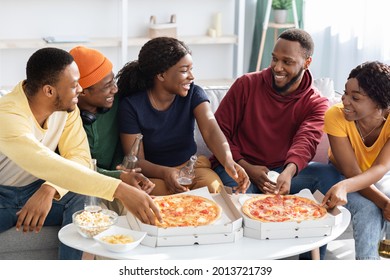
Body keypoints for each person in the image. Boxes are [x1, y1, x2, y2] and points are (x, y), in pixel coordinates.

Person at [0, 47, 161, 259]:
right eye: (74, 84)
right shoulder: (8, 114)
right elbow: (40, 159)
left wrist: (50, 188)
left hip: (34, 189)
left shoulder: (68, 110)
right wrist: (120, 189)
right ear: (49, 91)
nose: (80, 89)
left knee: (84, 195)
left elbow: (80, 158)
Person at [211, 28, 339, 259]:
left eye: (287, 62)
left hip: (283, 172)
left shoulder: (316, 102)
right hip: (239, 167)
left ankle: (309, 264)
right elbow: (219, 134)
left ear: (307, 62)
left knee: (330, 177)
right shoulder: (246, 85)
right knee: (244, 205)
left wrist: (288, 172)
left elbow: (306, 141)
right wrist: (247, 167)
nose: (277, 67)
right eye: (274, 58)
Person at [116, 37, 249, 196]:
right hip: (156, 175)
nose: (191, 76)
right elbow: (137, 160)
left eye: (191, 69)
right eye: (184, 70)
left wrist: (228, 161)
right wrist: (166, 173)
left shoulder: (194, 93)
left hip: (192, 169)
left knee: (214, 191)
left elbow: (211, 131)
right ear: (161, 75)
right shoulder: (131, 106)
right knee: (159, 200)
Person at [69, 46, 155, 215]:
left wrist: (124, 171)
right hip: (80, 187)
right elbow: (72, 168)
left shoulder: (120, 103)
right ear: (82, 91)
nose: (114, 90)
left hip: (118, 182)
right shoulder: (63, 117)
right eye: (107, 86)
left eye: (113, 82)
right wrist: (118, 176)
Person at [321, 61, 390, 260]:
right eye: (345, 93)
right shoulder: (335, 115)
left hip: (380, 174)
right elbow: (351, 171)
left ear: (378, 102)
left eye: (355, 97)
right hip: (342, 176)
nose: (345, 101)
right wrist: (384, 203)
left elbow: (382, 167)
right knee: (370, 211)